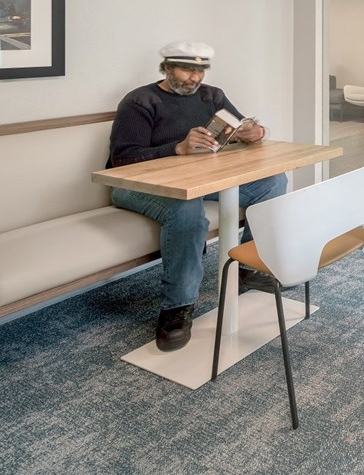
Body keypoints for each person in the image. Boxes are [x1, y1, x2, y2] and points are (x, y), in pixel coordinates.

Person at [107, 40, 287, 352]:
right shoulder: (140, 101)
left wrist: (256, 134)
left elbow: (241, 128)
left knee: (273, 182)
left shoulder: (212, 96)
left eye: (200, 70)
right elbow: (122, 159)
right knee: (186, 209)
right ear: (166, 67)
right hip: (135, 186)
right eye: (187, 70)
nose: (195, 78)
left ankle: (247, 267)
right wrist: (177, 148)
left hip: (197, 180)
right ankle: (177, 308)